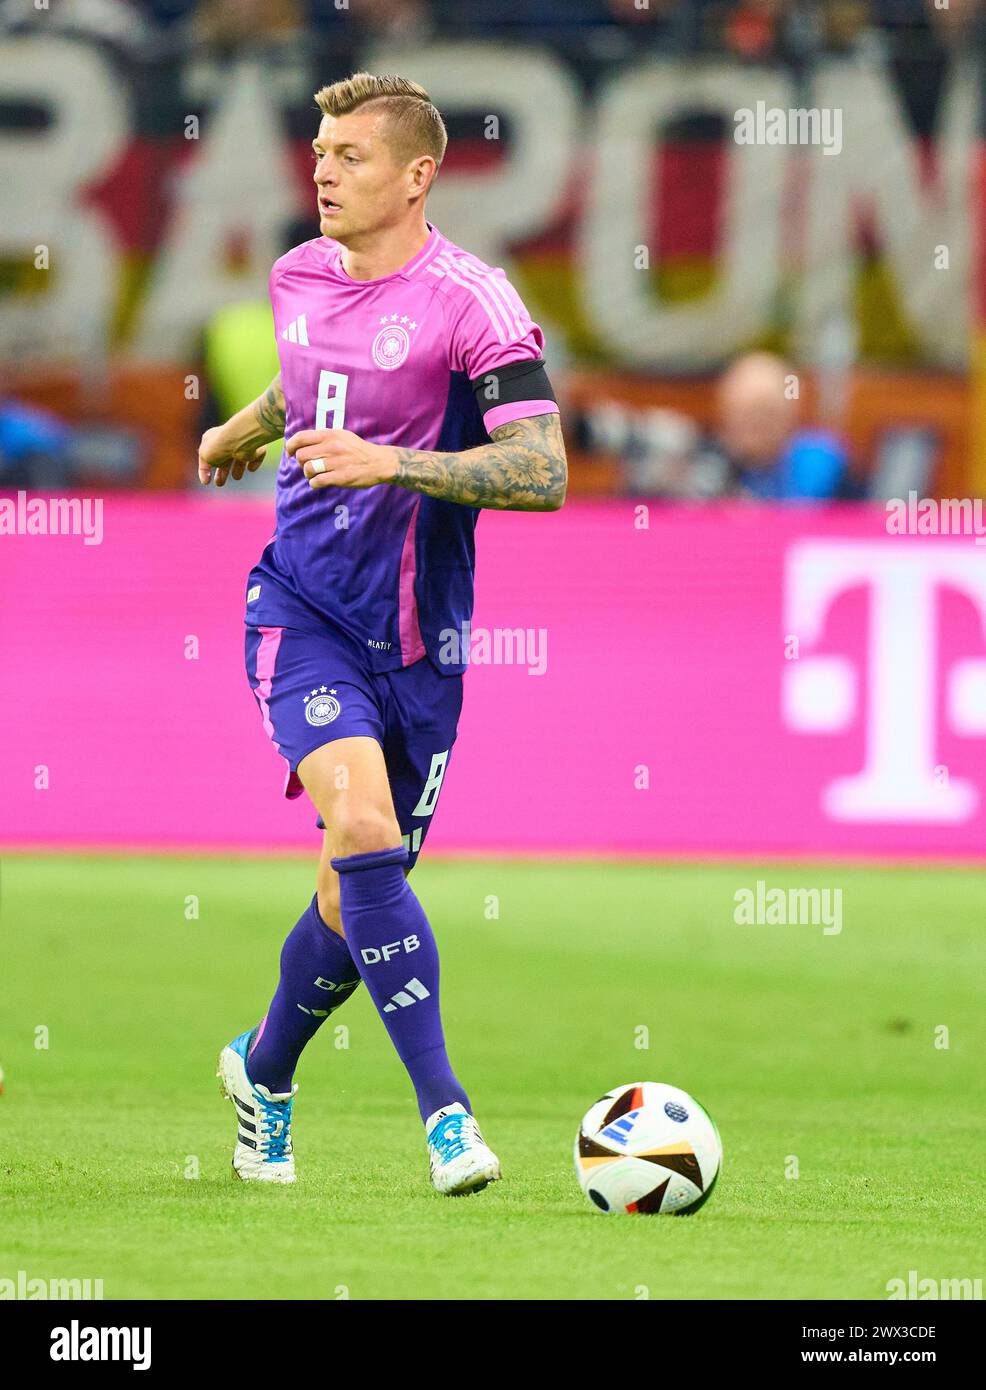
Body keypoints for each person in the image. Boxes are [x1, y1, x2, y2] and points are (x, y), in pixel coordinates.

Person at [197, 72, 567, 1195]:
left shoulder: (475, 304)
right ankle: (446, 1115)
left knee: (350, 887)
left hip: (422, 646)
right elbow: (313, 378)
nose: (321, 167)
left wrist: (393, 462)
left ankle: (263, 1070)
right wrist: (245, 426)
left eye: (350, 154)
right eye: (318, 148)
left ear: (417, 177)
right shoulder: (294, 274)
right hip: (299, 606)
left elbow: (542, 472)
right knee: (358, 819)